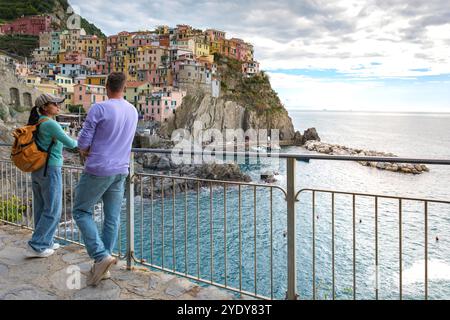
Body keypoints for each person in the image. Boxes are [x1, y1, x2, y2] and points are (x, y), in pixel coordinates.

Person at [73, 72, 138, 286]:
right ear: (125, 87)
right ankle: (104, 265)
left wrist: (84, 149)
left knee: (81, 211)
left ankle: (101, 257)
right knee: (112, 217)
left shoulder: (99, 108)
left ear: (106, 86)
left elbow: (83, 142)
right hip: (121, 169)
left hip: (99, 168)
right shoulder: (133, 110)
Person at [26, 94, 78, 258]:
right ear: (45, 107)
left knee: (41, 207)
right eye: (54, 103)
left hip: (38, 168)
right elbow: (71, 143)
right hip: (51, 168)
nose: (58, 106)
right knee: (54, 208)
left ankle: (46, 241)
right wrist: (83, 144)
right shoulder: (50, 124)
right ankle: (37, 244)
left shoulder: (38, 121)